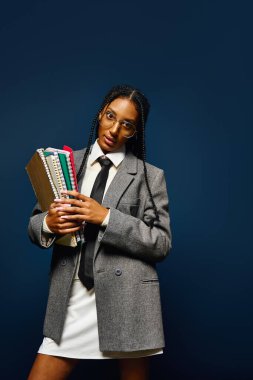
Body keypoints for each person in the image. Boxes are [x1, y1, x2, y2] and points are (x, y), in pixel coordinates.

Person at [27, 84, 172, 380]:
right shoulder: (67, 163)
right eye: (110, 116)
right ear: (100, 114)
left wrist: (106, 217)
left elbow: (161, 243)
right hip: (73, 298)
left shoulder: (149, 177)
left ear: (135, 132)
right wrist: (48, 225)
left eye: (127, 125)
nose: (114, 129)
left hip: (128, 302)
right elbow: (34, 223)